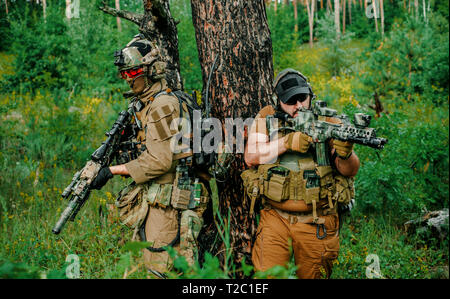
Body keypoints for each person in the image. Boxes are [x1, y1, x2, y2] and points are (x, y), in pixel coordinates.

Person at [90, 34, 208, 278]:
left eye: (132, 73)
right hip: (161, 199)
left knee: (161, 269)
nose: (127, 80)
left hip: (171, 203)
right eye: (124, 74)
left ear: (151, 70)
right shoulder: (148, 103)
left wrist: (111, 171)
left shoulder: (162, 106)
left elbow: (160, 160)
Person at [243, 68, 360, 279]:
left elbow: (350, 170)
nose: (298, 106)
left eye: (302, 98)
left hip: (317, 222)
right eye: (290, 101)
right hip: (275, 219)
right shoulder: (267, 117)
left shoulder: (327, 120)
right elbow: (251, 156)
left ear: (310, 95)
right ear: (277, 101)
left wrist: (345, 153)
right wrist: (287, 142)